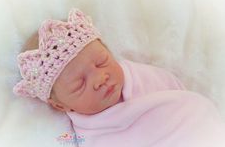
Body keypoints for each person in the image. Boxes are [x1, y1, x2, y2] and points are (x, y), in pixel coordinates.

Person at [13, 8, 225, 147]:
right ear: (61, 106)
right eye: (80, 84)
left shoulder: (138, 74)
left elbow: (179, 96)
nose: (100, 78)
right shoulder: (87, 133)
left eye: (102, 62)